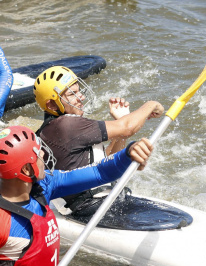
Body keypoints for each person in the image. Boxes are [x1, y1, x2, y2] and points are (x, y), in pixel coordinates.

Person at [0, 125, 154, 266]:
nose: (43, 155)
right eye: (38, 153)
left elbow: (99, 172)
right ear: (27, 169)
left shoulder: (44, 185)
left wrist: (129, 154)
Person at [32, 65, 164, 214]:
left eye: (79, 91)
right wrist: (150, 105)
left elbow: (106, 162)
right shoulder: (66, 125)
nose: (81, 96)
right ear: (52, 105)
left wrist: (121, 135)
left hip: (94, 202)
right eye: (72, 94)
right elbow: (128, 127)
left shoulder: (53, 127)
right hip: (90, 208)